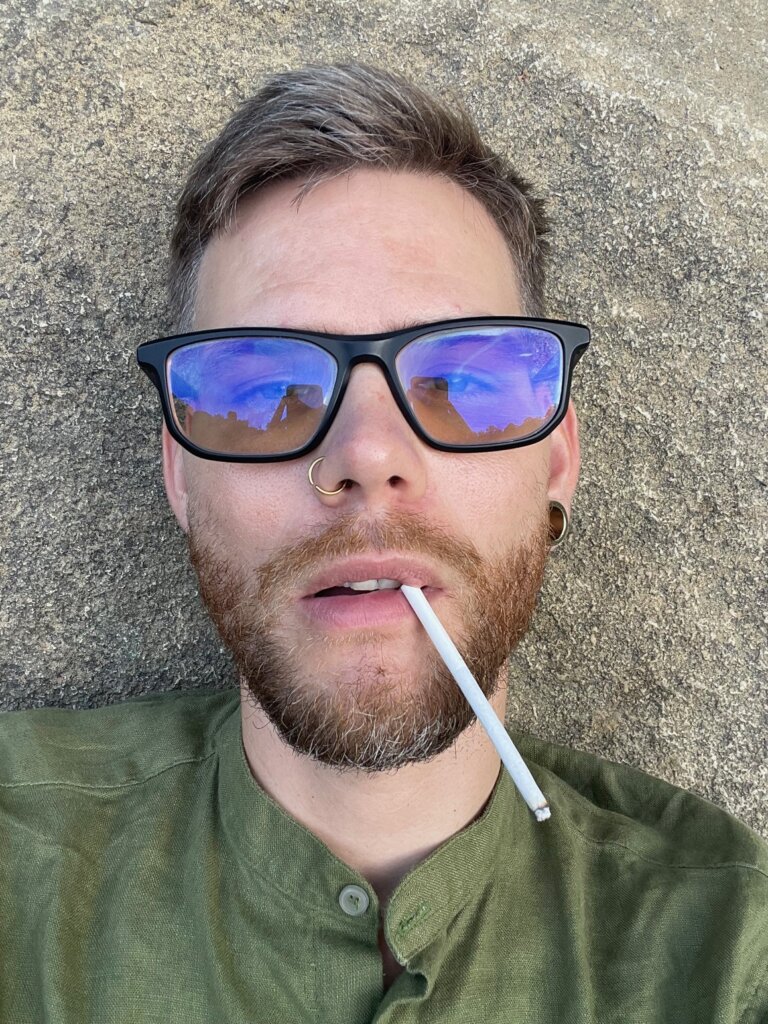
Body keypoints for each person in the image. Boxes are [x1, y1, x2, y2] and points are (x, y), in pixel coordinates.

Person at [1, 61, 766, 1023]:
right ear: (179, 474)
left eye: (464, 383)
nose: (367, 457)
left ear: (557, 461)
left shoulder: (728, 953)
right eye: (264, 392)